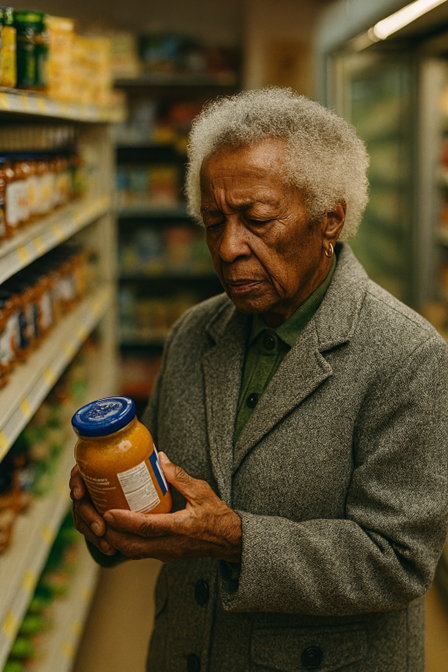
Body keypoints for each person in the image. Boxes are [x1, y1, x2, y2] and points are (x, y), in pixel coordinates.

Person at [70, 88, 448, 672]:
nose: (227, 247)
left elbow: (397, 559)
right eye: (213, 221)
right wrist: (112, 523)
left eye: (258, 220)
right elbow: (166, 497)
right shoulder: (194, 333)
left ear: (332, 218)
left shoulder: (409, 357)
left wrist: (235, 538)